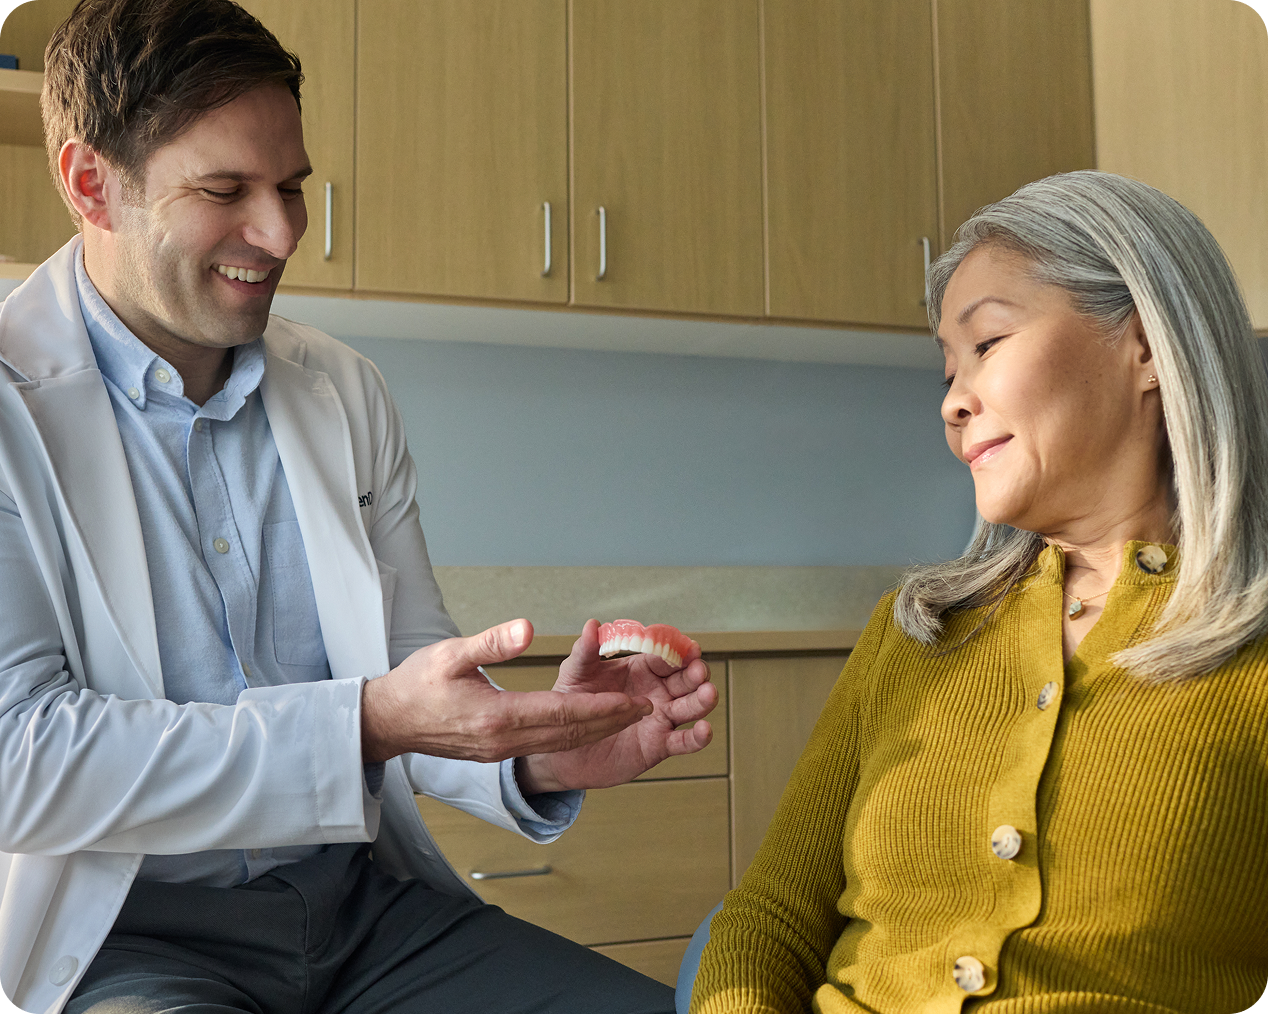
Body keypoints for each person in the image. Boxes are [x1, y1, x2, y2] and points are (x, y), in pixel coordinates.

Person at [0, 2, 718, 1013]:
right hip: (125, 941)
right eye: (226, 190)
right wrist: (367, 723)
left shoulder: (345, 392)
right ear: (90, 185)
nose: (282, 230)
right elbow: (22, 758)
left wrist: (537, 751)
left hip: (364, 918)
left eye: (291, 186)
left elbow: (412, 677)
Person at [686, 171, 1268, 1013]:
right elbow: (771, 918)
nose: (954, 402)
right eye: (947, 368)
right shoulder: (916, 633)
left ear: (1146, 347)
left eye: (987, 344)